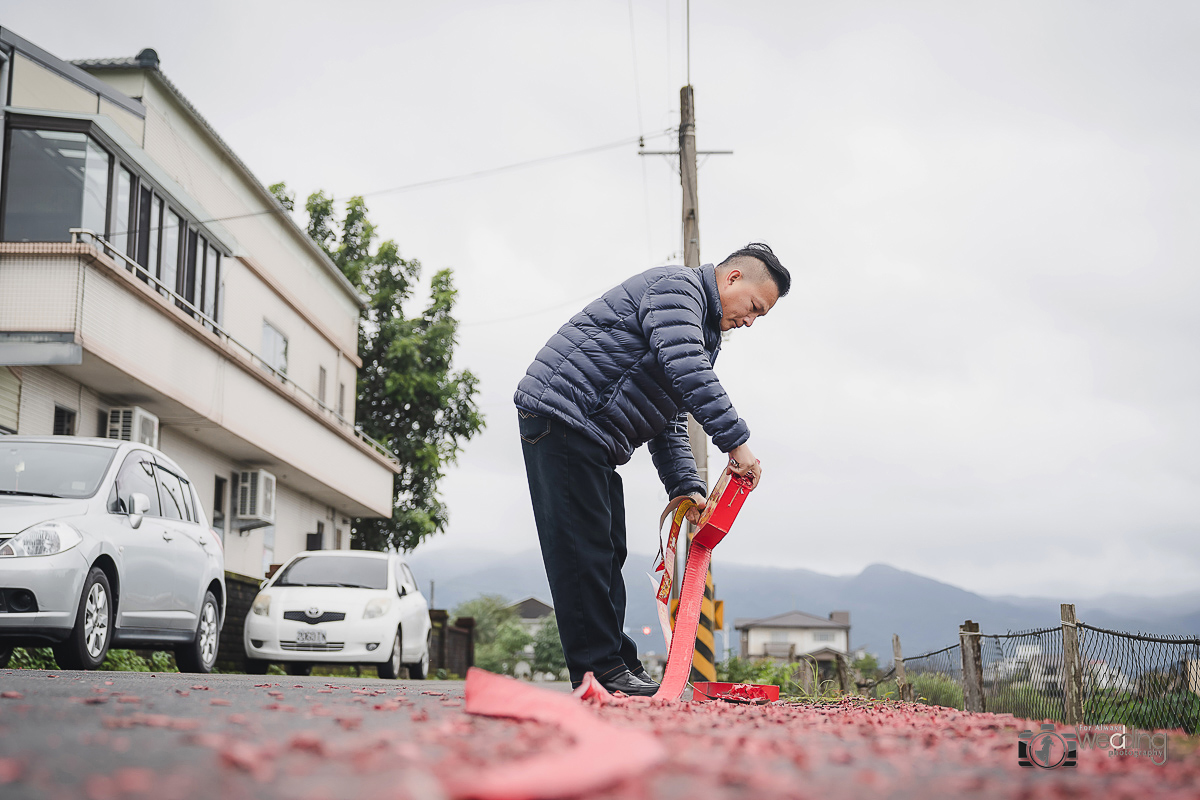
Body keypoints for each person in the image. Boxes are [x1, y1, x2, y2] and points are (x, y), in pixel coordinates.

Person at [514, 243, 790, 696]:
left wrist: (687, 487)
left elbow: (670, 418)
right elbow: (689, 372)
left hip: (594, 435)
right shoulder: (677, 290)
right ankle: (599, 671)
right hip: (563, 416)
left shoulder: (700, 329)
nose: (750, 321)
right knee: (582, 551)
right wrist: (736, 444)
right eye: (754, 308)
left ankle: (615, 665)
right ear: (733, 278)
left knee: (607, 550)